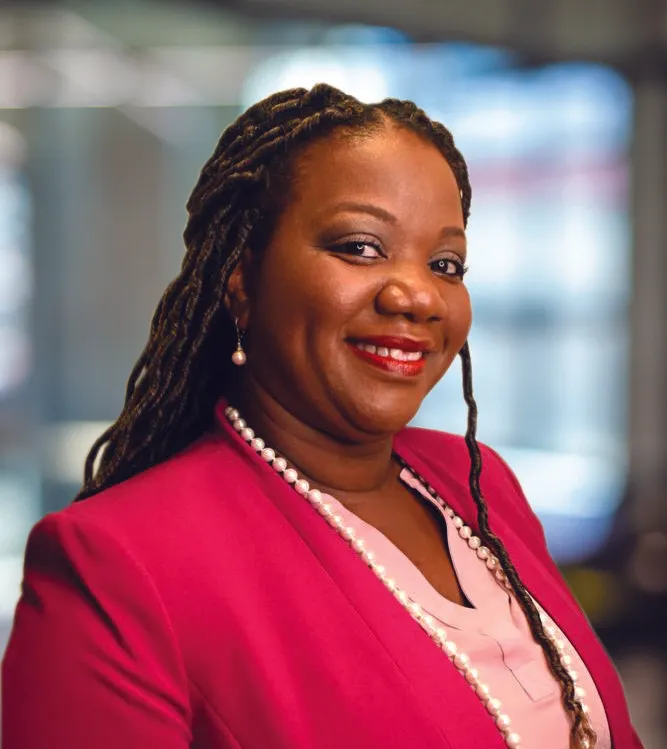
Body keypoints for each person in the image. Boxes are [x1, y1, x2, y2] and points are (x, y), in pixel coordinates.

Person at [1, 84, 642, 749]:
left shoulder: (477, 482)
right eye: (360, 247)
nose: (418, 295)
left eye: (444, 263)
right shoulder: (118, 565)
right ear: (240, 278)